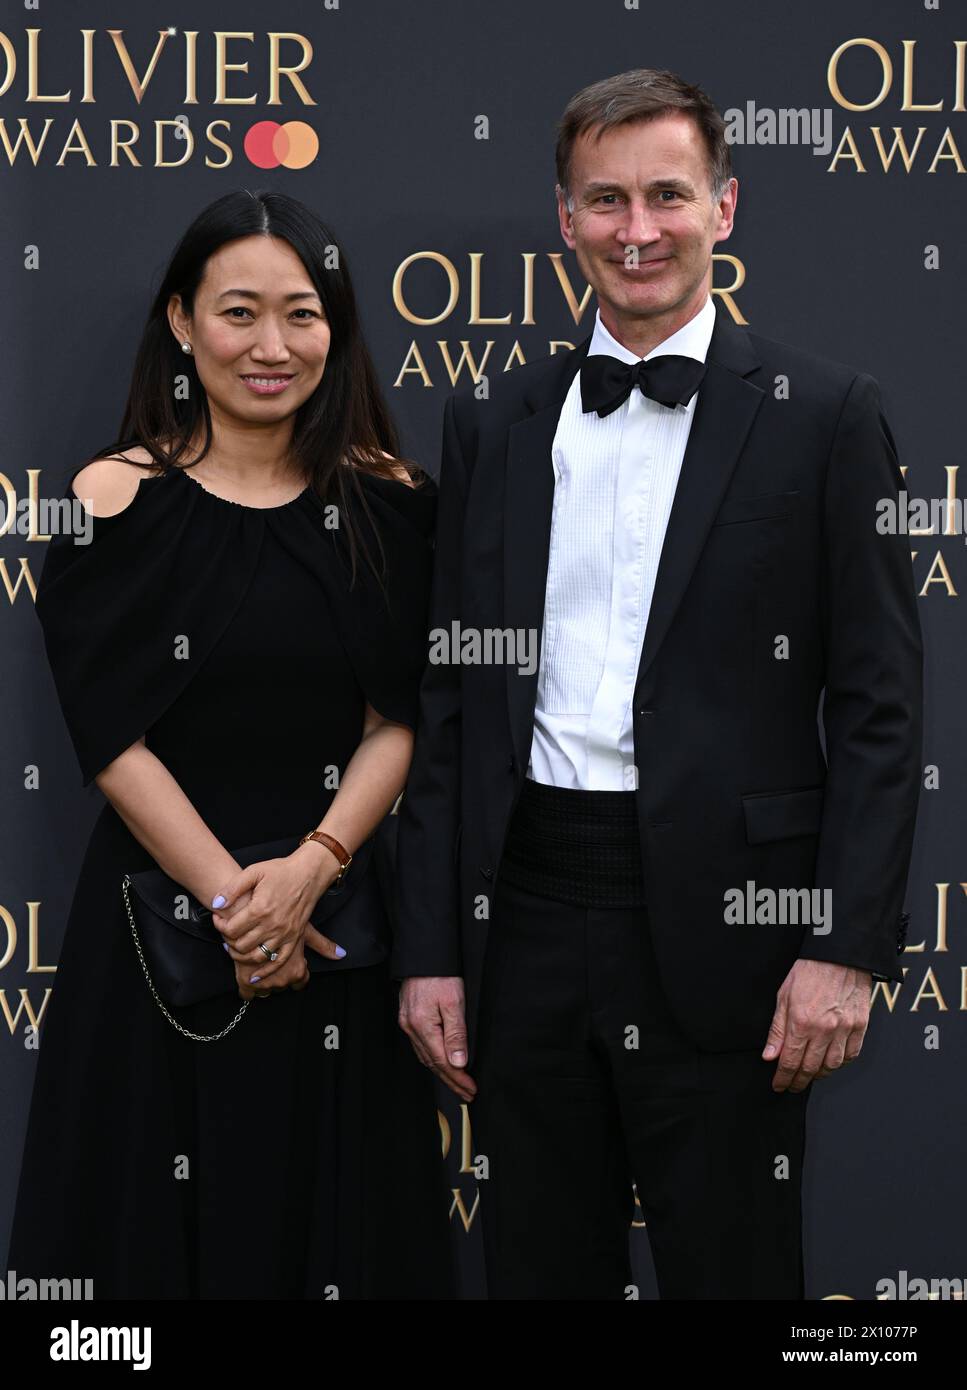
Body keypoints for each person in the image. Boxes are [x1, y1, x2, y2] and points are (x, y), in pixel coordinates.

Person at [393, 68, 923, 1299]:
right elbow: (450, 699)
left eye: (668, 196)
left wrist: (844, 947)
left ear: (724, 208)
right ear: (564, 221)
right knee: (534, 1264)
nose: (639, 231)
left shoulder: (827, 415)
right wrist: (430, 946)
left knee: (736, 1269)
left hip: (729, 928)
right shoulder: (495, 419)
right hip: (522, 912)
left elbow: (880, 709)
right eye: (606, 201)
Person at [8, 190, 452, 1300]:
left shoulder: (393, 505)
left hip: (340, 932)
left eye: (301, 315)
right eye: (238, 312)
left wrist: (312, 871)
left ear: (336, 327)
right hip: (160, 939)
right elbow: (112, 738)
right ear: (180, 322)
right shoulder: (110, 501)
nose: (271, 346)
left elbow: (399, 717)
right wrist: (240, 909)